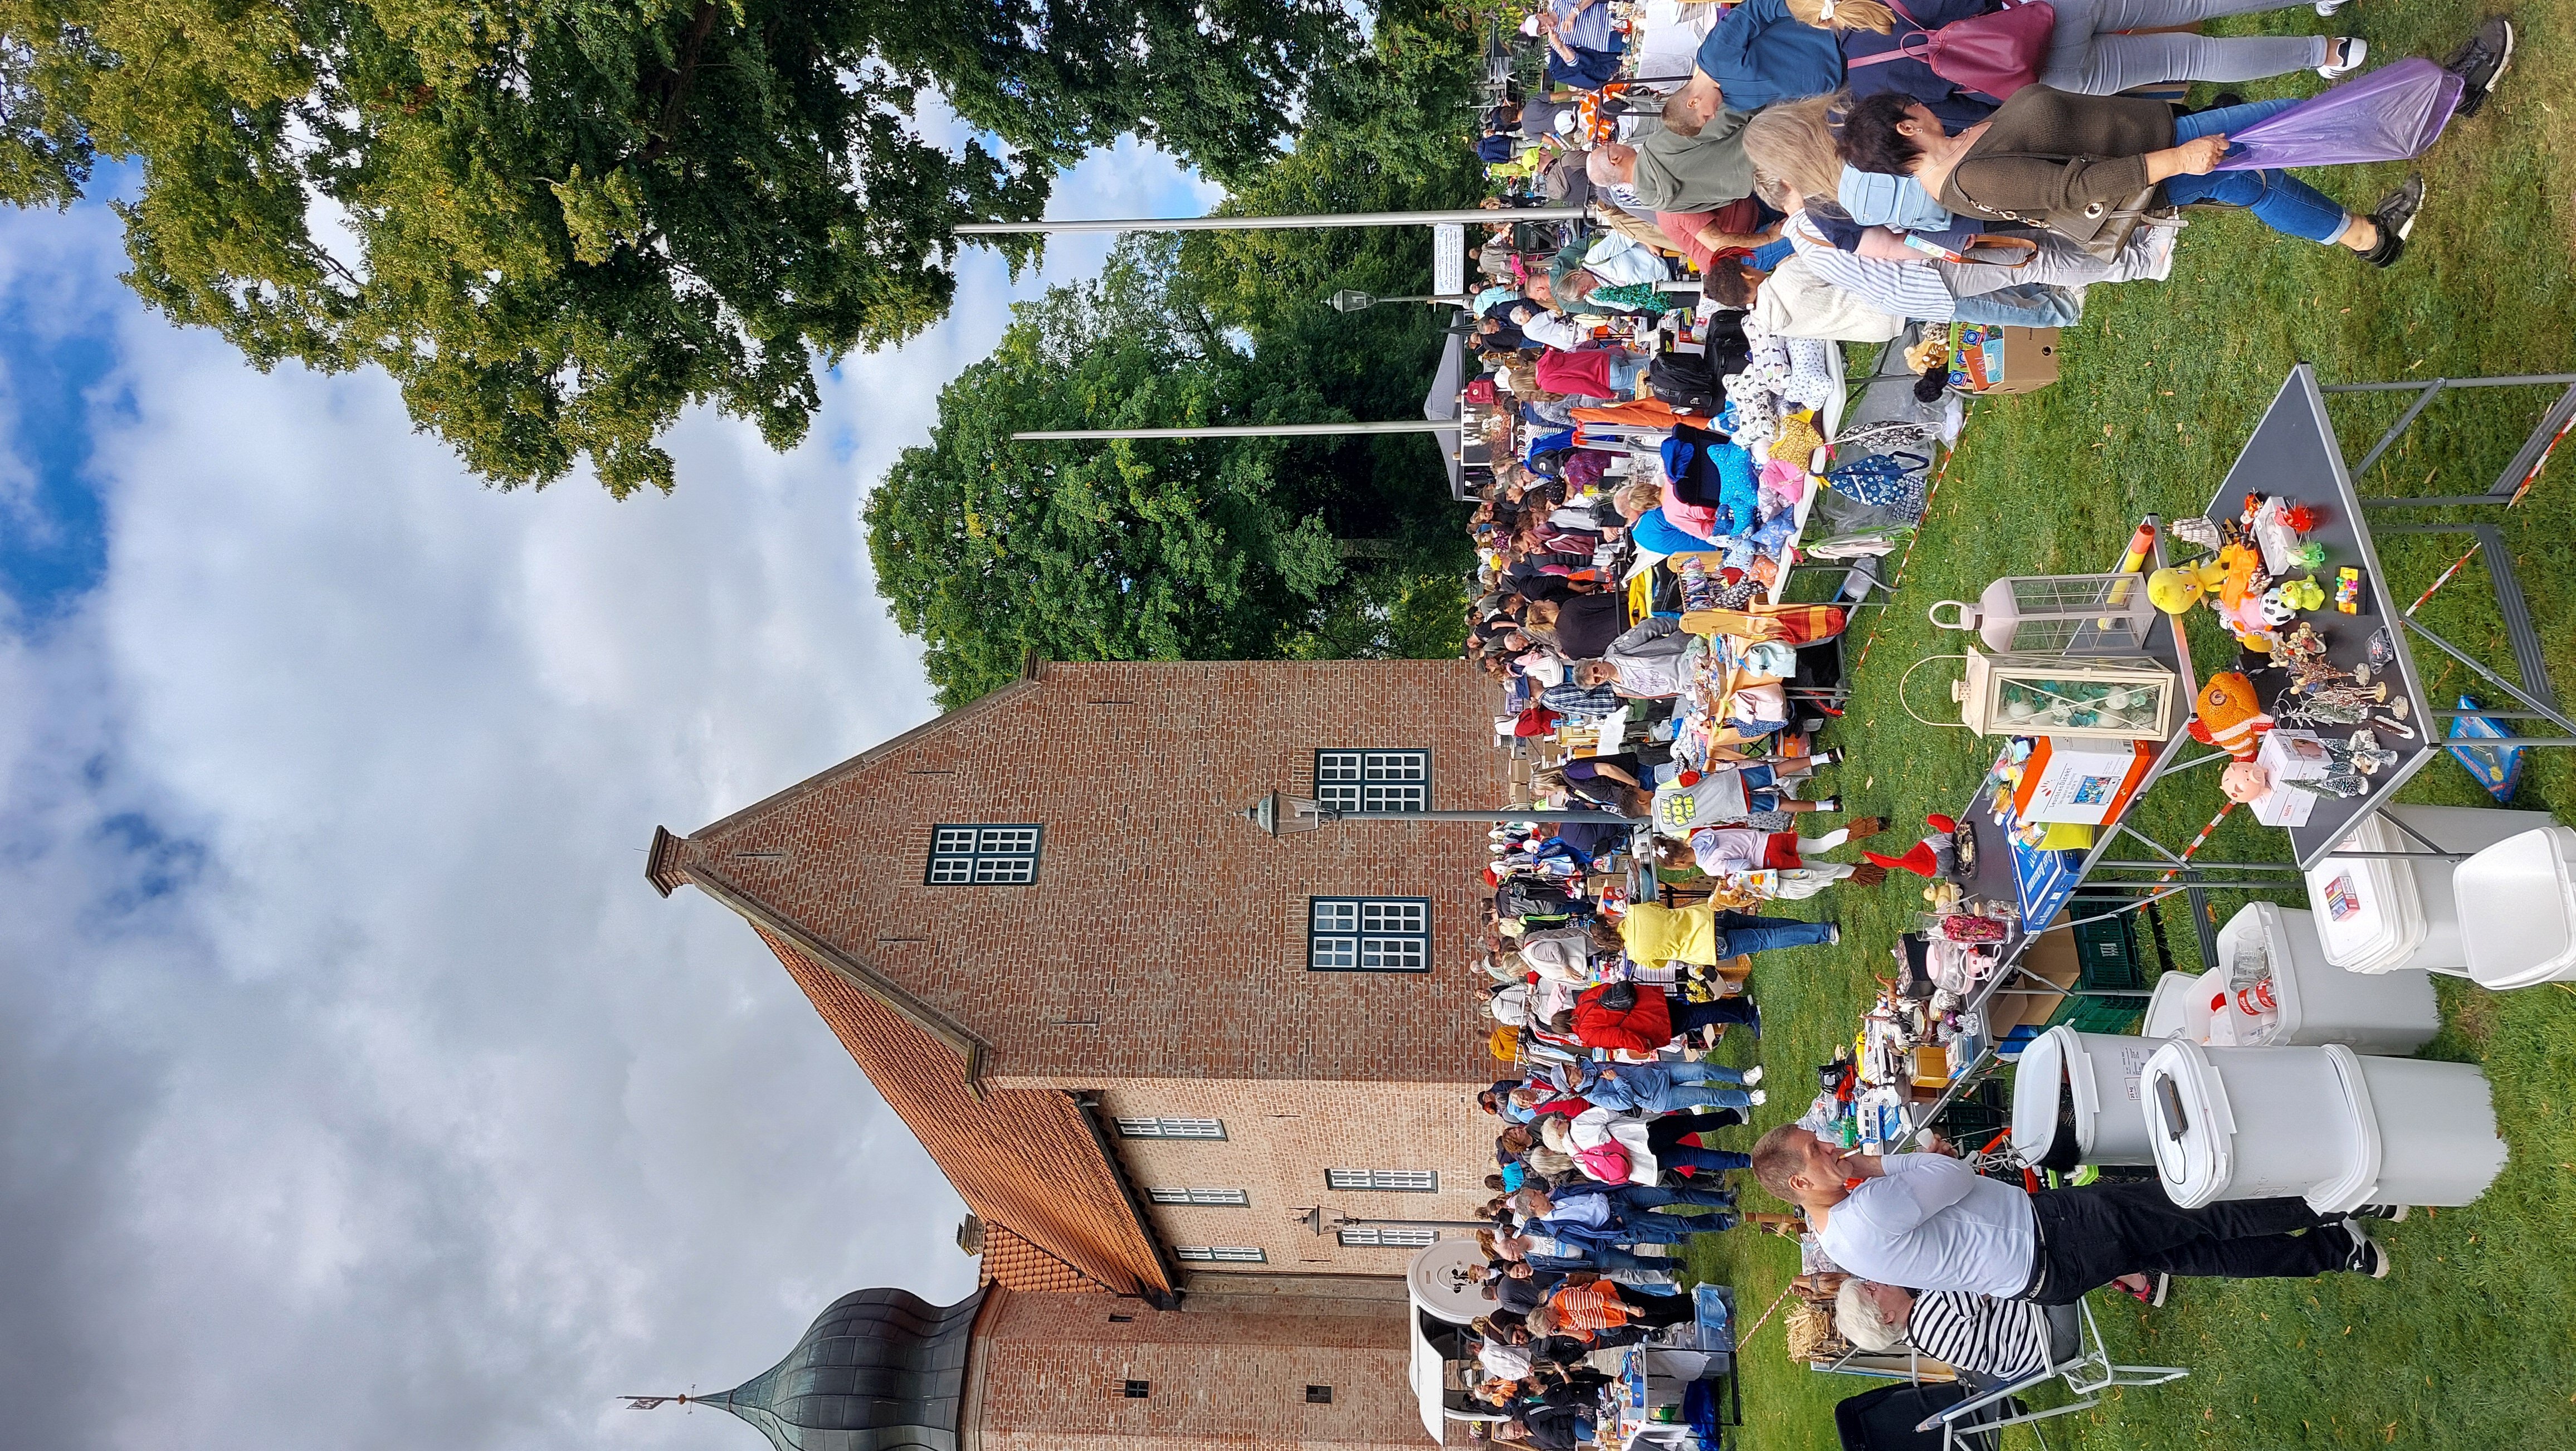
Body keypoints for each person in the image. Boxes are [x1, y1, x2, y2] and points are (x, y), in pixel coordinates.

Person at [1749, 1127, 2394, 1306]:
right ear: (1802, 1181)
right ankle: (2339, 1201)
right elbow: (1952, 1174)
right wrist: (1875, 1165)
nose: (1834, 1148)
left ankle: (2337, 1251)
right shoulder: (1863, 1207)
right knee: (2195, 1212)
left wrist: (1886, 1172)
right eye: (1820, 1151)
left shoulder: (1835, 1234)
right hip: (2052, 1237)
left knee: (2191, 1252)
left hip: (2042, 1271)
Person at [1836, 88, 2428, 268]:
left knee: (2254, 183)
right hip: (2159, 159)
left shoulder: (1958, 144)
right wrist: (2180, 158)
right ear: (1907, 129)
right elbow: (2073, 188)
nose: (1921, 104)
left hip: (2156, 136)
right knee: (2273, 126)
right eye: (1910, 107)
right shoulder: (1968, 181)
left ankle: (2366, 238)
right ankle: (2421, 103)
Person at [1793, 0, 2362, 129]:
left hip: (2042, 74)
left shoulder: (1868, 87)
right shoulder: (1899, 0)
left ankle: (2327, 52)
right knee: (2192, 3)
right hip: (2049, 8)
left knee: (2192, 56)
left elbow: (1958, 112)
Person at [1836, 1279, 2060, 1382]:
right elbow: (1995, 1274)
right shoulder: (1933, 1311)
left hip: (2020, 1363)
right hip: (2040, 1337)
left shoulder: (1915, 1335)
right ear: (1886, 1317)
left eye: (1866, 1282)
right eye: (1870, 1290)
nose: (1874, 1282)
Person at [1588, 115, 1758, 213]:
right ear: (1615, 159)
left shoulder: (1651, 203)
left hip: (1758, 182)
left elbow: (1717, 203)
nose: (1615, 143)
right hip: (1762, 141)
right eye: (1609, 145)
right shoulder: (1655, 149)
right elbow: (1719, 121)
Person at [1558, 979, 1760, 1053]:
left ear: (1567, 1031)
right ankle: (1741, 1006)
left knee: (1699, 1016)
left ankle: (1747, 1013)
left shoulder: (1587, 1034)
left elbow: (1621, 1037)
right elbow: (1611, 988)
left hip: (1651, 1024)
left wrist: (1644, 1046)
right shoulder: (1584, 999)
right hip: (1649, 1002)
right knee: (1697, 1012)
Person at [1562, 1057, 1768, 1114]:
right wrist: (1616, 1080)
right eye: (1569, 1072)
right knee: (1706, 1095)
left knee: (1701, 1069)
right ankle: (1748, 1099)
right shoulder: (1594, 1095)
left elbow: (1624, 1065)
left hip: (1657, 1071)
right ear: (1571, 1084)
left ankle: (1743, 1078)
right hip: (1660, 1097)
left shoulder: (1591, 1066)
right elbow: (1625, 1103)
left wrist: (1647, 1066)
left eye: (1569, 1066)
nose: (1573, 1068)